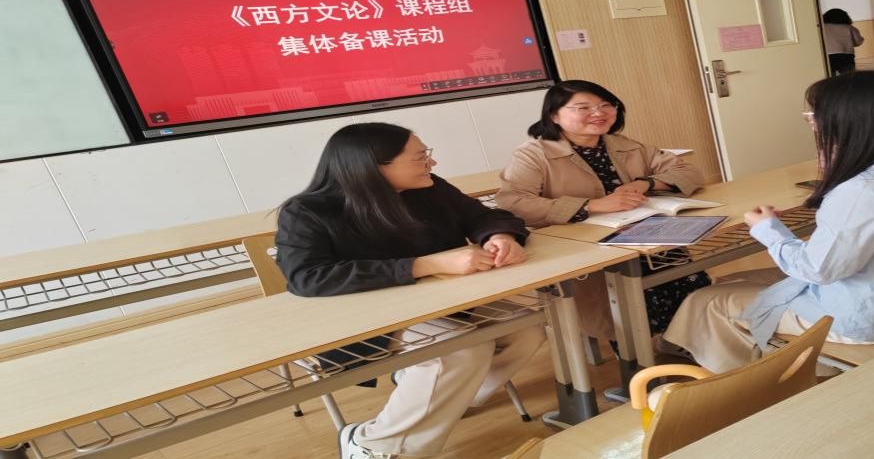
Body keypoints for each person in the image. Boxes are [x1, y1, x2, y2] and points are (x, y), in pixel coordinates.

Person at [662, 70, 874, 373]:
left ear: (858, 121)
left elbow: (819, 269)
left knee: (707, 301)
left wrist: (768, 230)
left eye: (817, 117)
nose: (815, 126)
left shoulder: (867, 187)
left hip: (866, 317)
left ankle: (750, 384)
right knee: (735, 280)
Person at [274, 122, 545, 459]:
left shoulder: (429, 188)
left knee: (526, 327)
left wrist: (499, 237)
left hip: (441, 302)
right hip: (367, 319)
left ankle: (454, 396)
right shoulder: (308, 211)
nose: (432, 163)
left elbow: (482, 216)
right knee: (459, 352)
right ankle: (373, 444)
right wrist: (423, 265)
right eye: (420, 157)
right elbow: (307, 276)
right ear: (375, 167)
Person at [496, 80, 709, 344]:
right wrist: (591, 205)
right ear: (554, 116)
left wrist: (646, 183)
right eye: (583, 107)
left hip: (645, 234)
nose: (598, 113)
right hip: (585, 247)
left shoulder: (624, 145)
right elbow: (513, 203)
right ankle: (639, 352)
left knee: (679, 280)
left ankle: (686, 340)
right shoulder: (533, 155)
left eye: (606, 105)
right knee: (623, 308)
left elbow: (689, 171)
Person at [822, 8, 865, 75]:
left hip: (828, 55)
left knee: (830, 74)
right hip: (846, 55)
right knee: (848, 75)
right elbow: (858, 42)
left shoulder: (822, 27)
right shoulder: (850, 27)